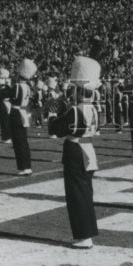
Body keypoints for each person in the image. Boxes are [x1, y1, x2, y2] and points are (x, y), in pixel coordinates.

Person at [49, 55, 101, 249]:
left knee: (76, 195)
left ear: (79, 89)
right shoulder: (94, 109)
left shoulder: (76, 110)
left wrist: (53, 114)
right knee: (85, 193)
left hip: (76, 151)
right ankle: (88, 233)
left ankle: (84, 236)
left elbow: (57, 129)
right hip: (89, 151)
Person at [10, 58, 36, 175]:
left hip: (16, 113)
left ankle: (24, 167)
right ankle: (26, 166)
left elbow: (12, 98)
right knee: (23, 142)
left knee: (18, 142)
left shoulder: (17, 86)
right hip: (23, 113)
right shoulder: (28, 87)